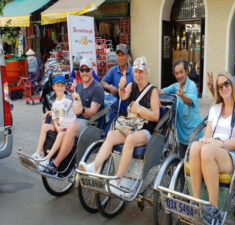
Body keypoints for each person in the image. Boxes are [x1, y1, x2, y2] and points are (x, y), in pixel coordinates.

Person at [79, 57, 160, 195]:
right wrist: (121, 87)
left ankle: (117, 181)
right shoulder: (131, 86)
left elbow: (156, 116)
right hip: (130, 127)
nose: (138, 75)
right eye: (136, 72)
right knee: (110, 135)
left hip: (145, 130)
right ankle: (94, 167)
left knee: (130, 140)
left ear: (146, 73)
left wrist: (140, 110)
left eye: (141, 72)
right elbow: (123, 97)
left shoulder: (152, 91)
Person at [190, 72, 235, 224]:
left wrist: (219, 144)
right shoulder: (215, 108)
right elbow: (208, 134)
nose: (223, 88)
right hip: (212, 149)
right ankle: (195, 202)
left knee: (207, 149)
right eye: (220, 86)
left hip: (231, 153)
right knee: (196, 146)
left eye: (226, 84)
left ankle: (214, 207)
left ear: (232, 85)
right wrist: (205, 139)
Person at [43, 57, 105, 175]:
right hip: (77, 120)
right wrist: (54, 112)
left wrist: (81, 110)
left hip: (92, 124)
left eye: (87, 70)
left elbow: (92, 112)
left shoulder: (97, 88)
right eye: (82, 70)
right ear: (79, 72)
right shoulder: (79, 86)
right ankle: (43, 154)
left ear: (92, 70)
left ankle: (55, 164)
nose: (85, 73)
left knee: (72, 126)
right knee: (49, 120)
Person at [159, 59, 203, 159]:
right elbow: (161, 92)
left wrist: (182, 96)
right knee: (182, 167)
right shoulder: (175, 86)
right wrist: (150, 89)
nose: (179, 76)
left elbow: (190, 102)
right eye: (176, 73)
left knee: (193, 168)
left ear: (186, 72)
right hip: (182, 138)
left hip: (194, 135)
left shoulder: (191, 86)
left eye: (181, 72)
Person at [31, 75, 76, 169]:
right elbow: (55, 119)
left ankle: (47, 159)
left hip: (68, 128)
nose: (59, 88)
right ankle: (38, 152)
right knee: (44, 126)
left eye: (62, 86)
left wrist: (53, 113)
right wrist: (56, 125)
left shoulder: (68, 99)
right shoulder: (55, 102)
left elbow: (60, 112)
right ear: (54, 87)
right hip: (60, 126)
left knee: (60, 134)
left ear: (65, 87)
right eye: (57, 86)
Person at [101, 44, 134, 113]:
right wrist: (110, 87)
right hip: (116, 108)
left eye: (123, 55)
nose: (121, 58)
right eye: (119, 55)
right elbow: (102, 82)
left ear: (127, 57)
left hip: (130, 108)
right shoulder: (113, 70)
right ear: (116, 57)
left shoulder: (133, 71)